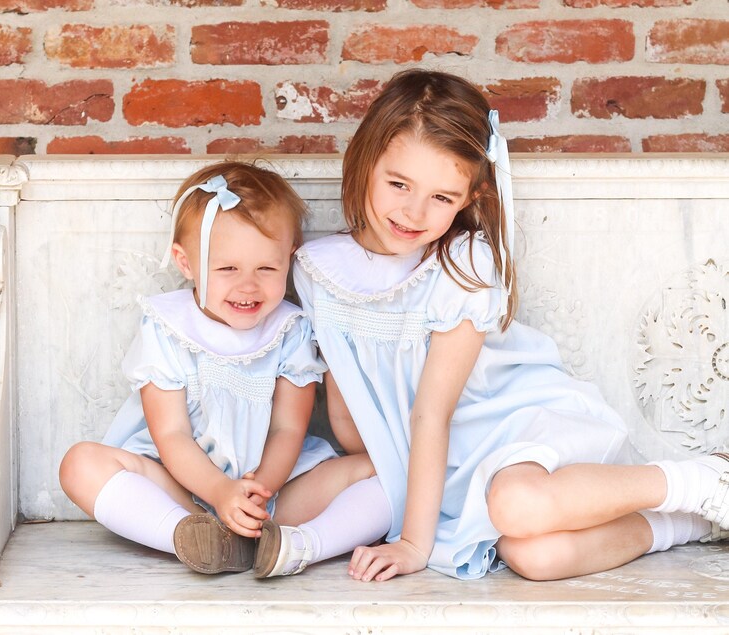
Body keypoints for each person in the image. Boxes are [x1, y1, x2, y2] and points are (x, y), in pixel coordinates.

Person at [260, 69, 729, 582]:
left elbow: (430, 415)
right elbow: (353, 417)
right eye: (398, 184)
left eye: (442, 197)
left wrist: (415, 544)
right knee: (534, 557)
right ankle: (689, 523)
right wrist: (371, 468)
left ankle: (700, 478)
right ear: (365, 161)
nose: (414, 211)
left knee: (517, 505)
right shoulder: (318, 272)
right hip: (440, 462)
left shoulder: (463, 263)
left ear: (470, 197)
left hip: (510, 427)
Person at [60, 161, 388, 575]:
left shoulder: (291, 329)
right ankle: (191, 537)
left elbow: (290, 428)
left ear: (290, 257)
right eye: (227, 269)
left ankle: (299, 545)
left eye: (266, 268)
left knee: (387, 472)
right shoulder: (166, 327)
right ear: (185, 262)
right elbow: (172, 434)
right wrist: (219, 493)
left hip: (276, 492)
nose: (248, 285)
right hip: (183, 489)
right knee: (80, 464)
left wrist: (254, 495)